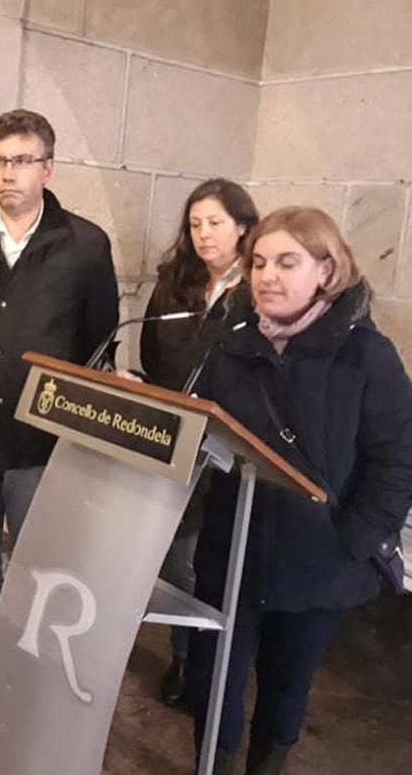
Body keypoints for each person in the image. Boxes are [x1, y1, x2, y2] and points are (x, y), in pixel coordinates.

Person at [185, 207, 412, 774]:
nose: (268, 276)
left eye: (287, 262)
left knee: (286, 686)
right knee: (210, 679)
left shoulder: (367, 356)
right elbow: (199, 428)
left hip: (317, 565)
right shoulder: (232, 345)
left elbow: (398, 462)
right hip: (232, 552)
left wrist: (347, 542)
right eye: (260, 262)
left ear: (325, 269)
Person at [0, 109, 119, 717]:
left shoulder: (85, 244)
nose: (7, 173)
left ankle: (32, 664)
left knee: (42, 560)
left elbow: (99, 336)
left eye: (21, 160)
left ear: (48, 168)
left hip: (42, 436)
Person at [137, 179, 259, 709]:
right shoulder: (173, 284)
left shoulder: (258, 290)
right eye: (195, 224)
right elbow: (152, 353)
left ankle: (220, 661)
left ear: (243, 227)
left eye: (215, 223)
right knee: (177, 557)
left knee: (221, 560)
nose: (204, 235)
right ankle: (187, 657)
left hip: (232, 451)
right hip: (175, 443)